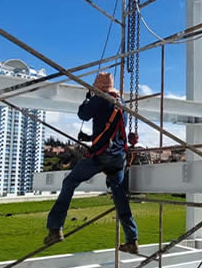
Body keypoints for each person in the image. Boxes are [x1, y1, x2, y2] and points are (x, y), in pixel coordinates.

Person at [45, 72, 140, 253]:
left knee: (70, 182)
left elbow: (83, 114)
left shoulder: (100, 99)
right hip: (118, 158)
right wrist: (90, 137)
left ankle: (55, 229)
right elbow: (112, 130)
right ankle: (132, 239)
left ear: (99, 88)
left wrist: (88, 98)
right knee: (119, 197)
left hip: (101, 155)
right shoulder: (122, 104)